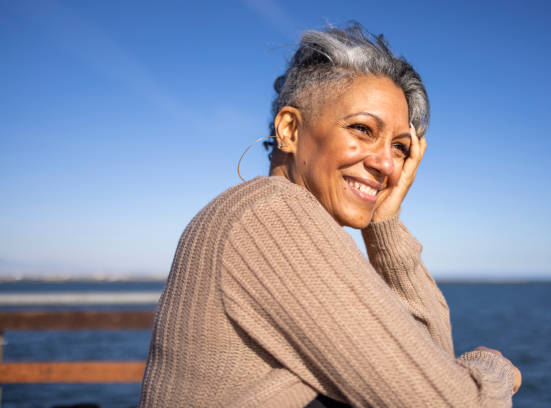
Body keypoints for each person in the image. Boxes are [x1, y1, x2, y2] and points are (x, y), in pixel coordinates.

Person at [138, 23, 521, 407]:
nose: (388, 163)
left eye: (401, 148)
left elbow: (428, 366)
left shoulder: (257, 212)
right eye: (362, 128)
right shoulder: (272, 216)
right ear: (289, 129)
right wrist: (492, 366)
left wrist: (385, 223)